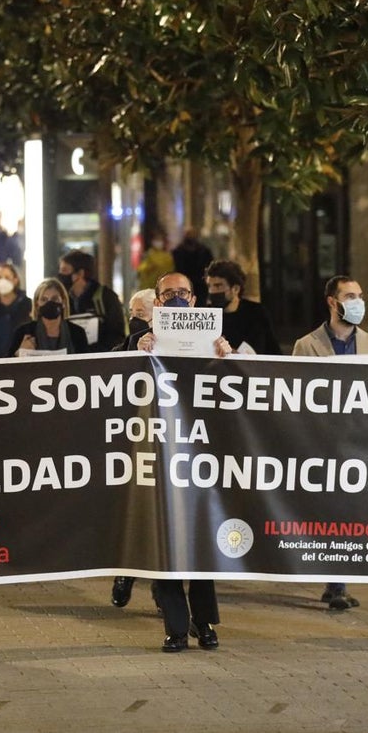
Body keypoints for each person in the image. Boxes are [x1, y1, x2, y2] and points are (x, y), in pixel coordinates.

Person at [129, 272, 231, 652]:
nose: (175, 298)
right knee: (165, 543)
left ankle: (203, 623)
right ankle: (175, 626)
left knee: (200, 543)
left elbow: (231, 392)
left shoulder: (213, 340)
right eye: (167, 293)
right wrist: (137, 350)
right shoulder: (138, 342)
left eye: (182, 293)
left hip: (199, 457)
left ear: (193, 301)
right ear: (156, 302)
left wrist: (226, 358)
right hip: (156, 456)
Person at [292, 275, 368, 610]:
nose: (357, 301)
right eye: (349, 295)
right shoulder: (307, 345)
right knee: (329, 511)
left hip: (358, 442)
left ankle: (338, 583)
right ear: (332, 301)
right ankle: (335, 583)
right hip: (323, 444)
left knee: (351, 512)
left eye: (360, 295)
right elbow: (298, 397)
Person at [204, 259, 281, 355]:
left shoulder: (256, 313)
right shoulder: (206, 315)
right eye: (209, 286)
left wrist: (228, 352)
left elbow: (260, 352)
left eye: (218, 286)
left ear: (235, 289)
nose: (212, 291)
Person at [57, 250, 126, 352]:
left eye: (65, 270)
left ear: (80, 273)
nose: (60, 275)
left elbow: (117, 336)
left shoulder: (106, 297)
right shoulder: (62, 299)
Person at [10, 278, 89, 356]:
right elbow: (6, 366)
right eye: (44, 299)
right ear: (37, 305)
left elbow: (87, 365)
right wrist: (20, 353)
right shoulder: (23, 332)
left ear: (63, 302)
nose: (49, 303)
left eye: (54, 299)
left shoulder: (77, 333)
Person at [0, 263, 32, 359]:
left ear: (15, 280)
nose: (2, 281)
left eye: (7, 277)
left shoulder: (28, 305)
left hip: (22, 362)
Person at [171, 227, 214, 306]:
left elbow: (209, 266)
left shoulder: (204, 251)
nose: (191, 236)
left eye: (192, 234)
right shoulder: (178, 251)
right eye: (189, 234)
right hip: (183, 284)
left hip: (200, 285)